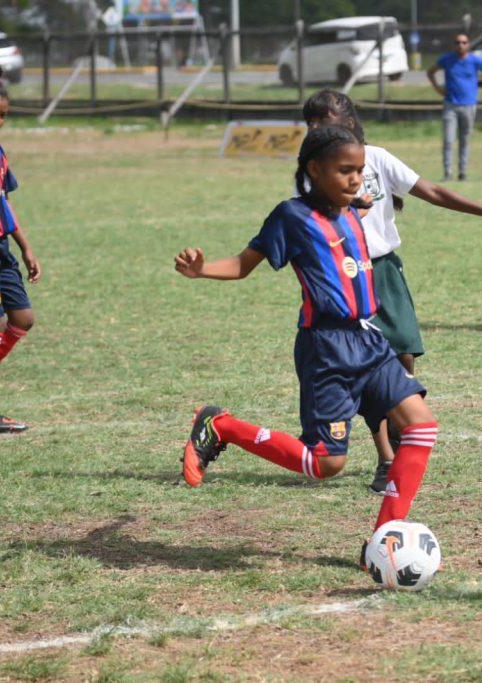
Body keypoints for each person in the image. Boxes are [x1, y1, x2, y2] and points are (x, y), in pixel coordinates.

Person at [176, 126, 438, 550]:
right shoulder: (291, 216)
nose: (355, 179)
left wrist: (361, 201)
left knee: (422, 428)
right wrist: (201, 269)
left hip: (370, 339)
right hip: (327, 349)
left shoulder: (353, 208)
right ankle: (221, 426)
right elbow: (244, 264)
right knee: (326, 462)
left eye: (359, 170)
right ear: (314, 169)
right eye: (344, 171)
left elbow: (364, 205)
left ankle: (384, 539)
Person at [302, 89, 482, 492]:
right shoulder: (315, 171)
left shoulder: (379, 158)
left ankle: (401, 445)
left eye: (325, 121)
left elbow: (434, 192)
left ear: (350, 122)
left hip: (385, 269)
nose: (318, 129)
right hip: (347, 276)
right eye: (312, 124)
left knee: (404, 352)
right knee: (369, 366)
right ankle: (387, 460)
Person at [0, 64, 40, 433]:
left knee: (22, 319)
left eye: (2, 115)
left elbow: (3, 202)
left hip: (1, 247)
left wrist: (26, 246)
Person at [427, 33, 482, 181]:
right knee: (448, 139)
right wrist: (438, 88)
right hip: (450, 104)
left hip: (469, 105)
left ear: (468, 44)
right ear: (454, 44)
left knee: (465, 139)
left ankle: (462, 172)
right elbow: (430, 71)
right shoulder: (447, 59)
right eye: (457, 42)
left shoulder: (474, 60)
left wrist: (478, 81)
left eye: (464, 42)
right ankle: (447, 173)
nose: (461, 45)